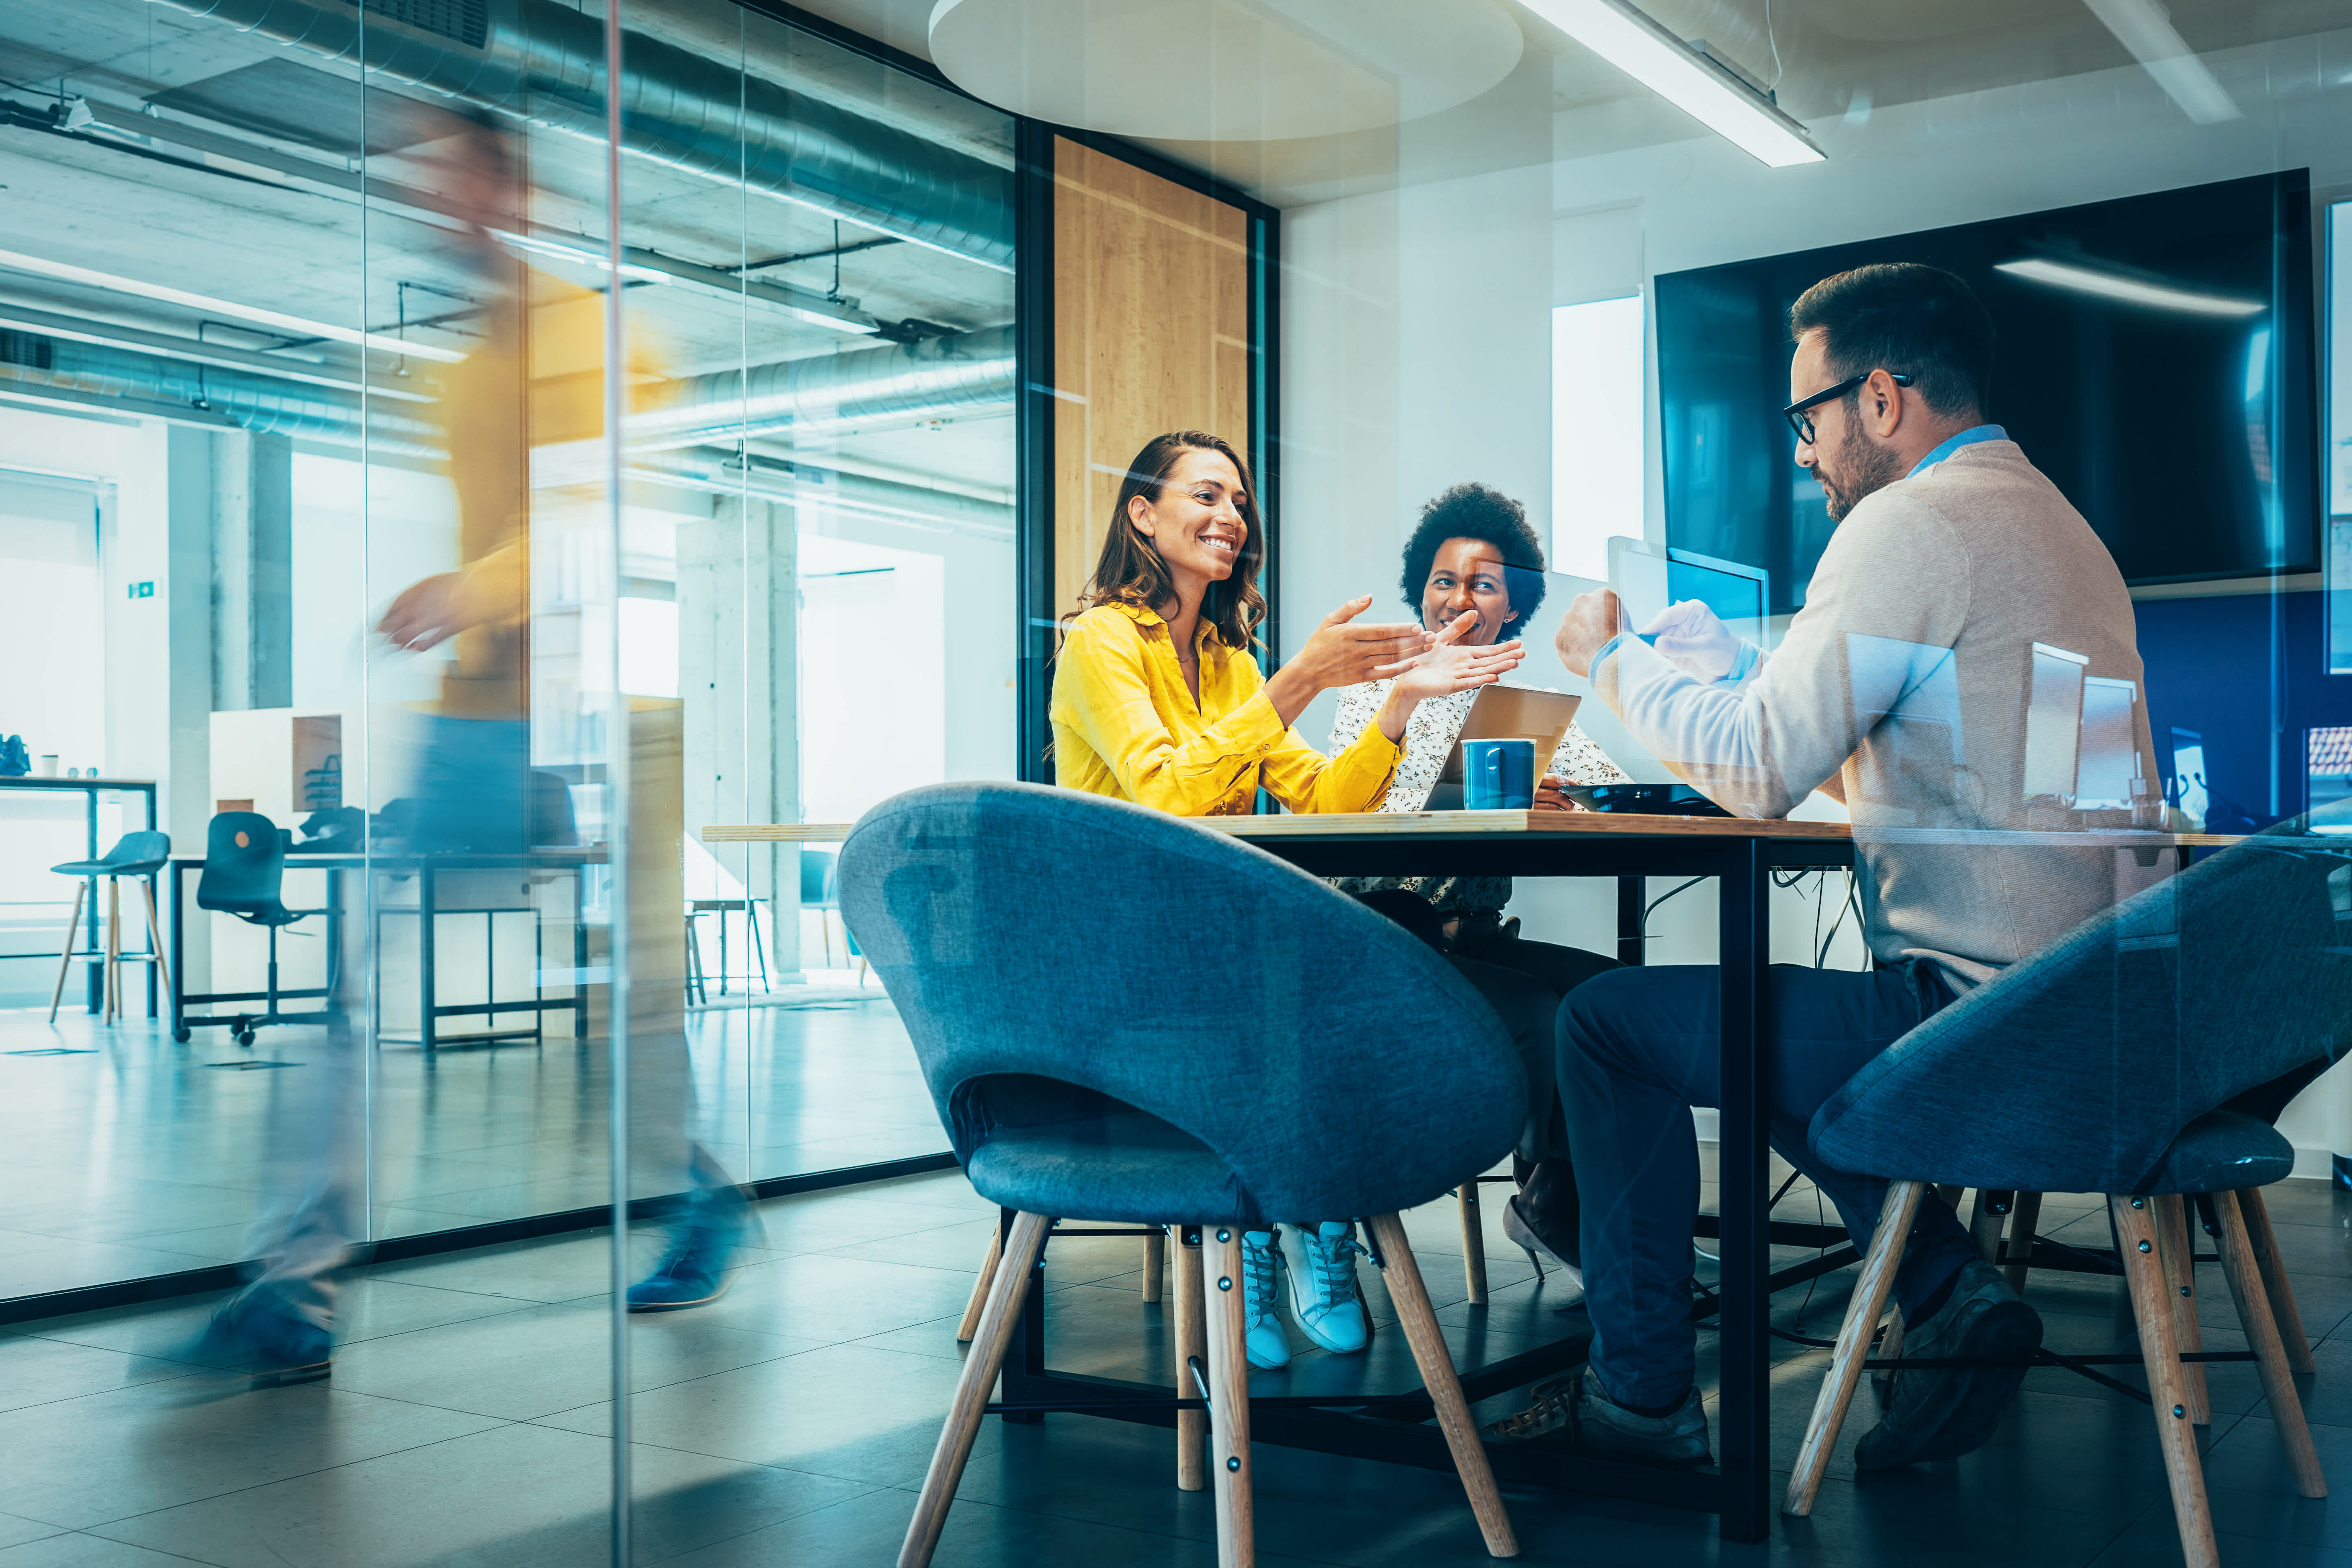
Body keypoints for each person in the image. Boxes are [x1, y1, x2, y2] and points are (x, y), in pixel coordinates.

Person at [1496, 262, 2159, 1471]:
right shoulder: (2064, 533)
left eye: (1808, 417)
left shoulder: (1905, 523)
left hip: (1978, 1023)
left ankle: (1637, 1404)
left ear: (1885, 399)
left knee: (1605, 1023)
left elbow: (1750, 770)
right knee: (1760, 1020)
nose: (1803, 452)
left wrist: (1617, 659)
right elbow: (2049, 782)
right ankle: (1946, 1290)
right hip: (2097, 1013)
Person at [188, 111, 747, 1385]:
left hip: (602, 717)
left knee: (633, 995)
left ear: (511, 186)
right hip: (480, 720)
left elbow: (591, 531)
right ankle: (294, 1285)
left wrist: (466, 592)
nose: (436, 200)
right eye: (418, 178)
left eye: (453, 172)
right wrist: (459, 610)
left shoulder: (601, 341)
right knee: (358, 971)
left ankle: (697, 1189)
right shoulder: (459, 370)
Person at [1052, 430, 1524, 1369]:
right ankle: (1287, 1219)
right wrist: (1303, 677)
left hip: (1220, 932)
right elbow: (1162, 794)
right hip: (1130, 946)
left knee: (1382, 937)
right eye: (1204, 496)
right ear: (1141, 514)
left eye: (1237, 502)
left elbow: (1322, 798)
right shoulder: (1100, 640)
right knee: (1326, 966)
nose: (1230, 517)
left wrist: (1393, 705)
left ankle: (1303, 1217)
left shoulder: (1230, 660)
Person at [1325, 482, 1629, 1281]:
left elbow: (1603, 797)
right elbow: (1368, 811)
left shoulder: (1521, 705)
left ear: (1511, 608)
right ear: (1419, 594)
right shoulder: (1374, 690)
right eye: (1443, 580)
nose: (1460, 597)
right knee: (1541, 1012)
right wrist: (1483, 790)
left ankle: (1570, 1203)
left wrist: (1568, 794)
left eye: (1483, 583)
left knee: (1618, 997)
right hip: (1385, 941)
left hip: (1480, 941)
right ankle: (1550, 1203)